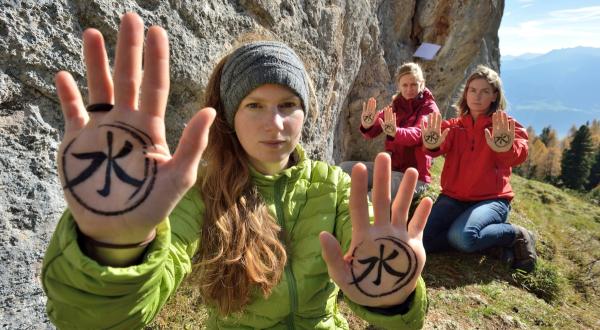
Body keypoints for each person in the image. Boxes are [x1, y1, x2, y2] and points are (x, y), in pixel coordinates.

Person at [42, 13, 433, 329]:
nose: (275, 124)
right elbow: (100, 321)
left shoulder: (332, 186)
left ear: (305, 114)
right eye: (254, 106)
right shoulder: (202, 193)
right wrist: (115, 250)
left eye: (287, 104)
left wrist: (395, 297)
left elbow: (380, 272)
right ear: (230, 115)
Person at [420, 65, 537, 272]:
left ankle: (517, 234)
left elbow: (520, 152)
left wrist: (505, 148)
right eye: (472, 90)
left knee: (463, 238)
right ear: (466, 94)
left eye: (485, 91)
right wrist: (430, 144)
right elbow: (435, 147)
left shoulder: (504, 126)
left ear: (494, 96)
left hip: (491, 200)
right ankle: (487, 245)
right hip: (453, 197)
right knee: (423, 240)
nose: (477, 96)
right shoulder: (455, 126)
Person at [341, 62, 439, 198]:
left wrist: (396, 132)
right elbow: (374, 130)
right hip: (390, 169)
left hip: (415, 177)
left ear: (422, 84)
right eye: (405, 85)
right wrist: (368, 125)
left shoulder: (429, 108)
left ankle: (354, 213)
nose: (409, 89)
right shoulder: (396, 105)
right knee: (343, 169)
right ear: (399, 86)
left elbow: (417, 134)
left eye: (414, 84)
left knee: (374, 197)